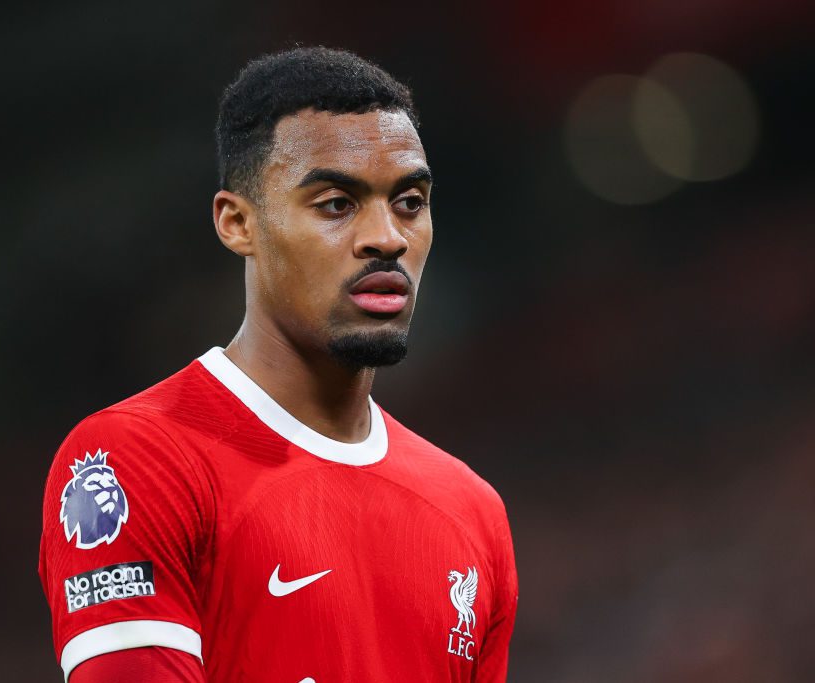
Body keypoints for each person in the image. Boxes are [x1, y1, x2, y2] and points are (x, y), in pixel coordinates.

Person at [39, 46, 518, 683]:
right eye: (336, 204)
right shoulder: (135, 461)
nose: (388, 237)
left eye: (408, 202)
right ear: (238, 223)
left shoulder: (471, 513)